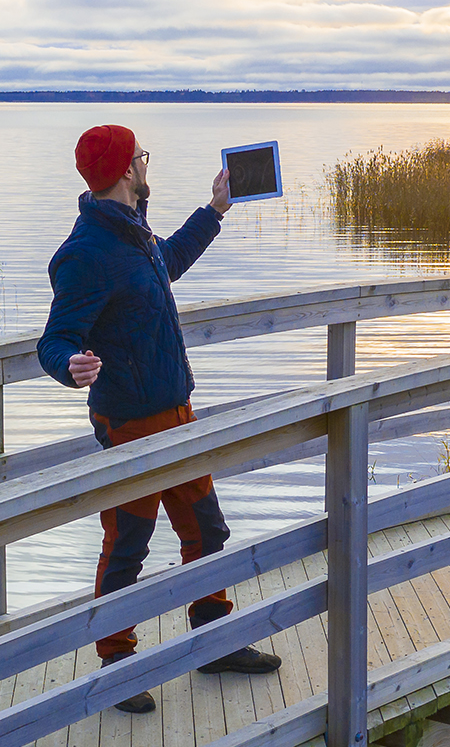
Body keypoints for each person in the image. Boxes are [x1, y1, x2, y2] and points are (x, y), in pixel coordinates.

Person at [37, 124, 281, 714]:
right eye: (141, 158)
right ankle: (117, 664)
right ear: (126, 171)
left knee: (206, 530)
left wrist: (215, 211)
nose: (146, 166)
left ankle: (214, 637)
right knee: (129, 544)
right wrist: (69, 365)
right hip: (130, 423)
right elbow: (55, 337)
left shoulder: (133, 231)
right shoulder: (86, 253)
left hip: (176, 410)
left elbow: (165, 264)